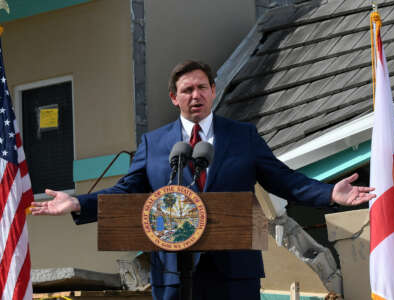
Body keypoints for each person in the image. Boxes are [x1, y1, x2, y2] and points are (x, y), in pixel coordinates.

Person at [31, 60, 375, 300]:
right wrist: (79, 202)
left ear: (213, 91)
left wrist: (330, 192)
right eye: (186, 90)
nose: (195, 95)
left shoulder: (243, 137)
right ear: (174, 97)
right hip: (172, 272)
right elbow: (127, 191)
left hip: (233, 270)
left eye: (201, 88)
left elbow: (284, 181)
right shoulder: (155, 144)